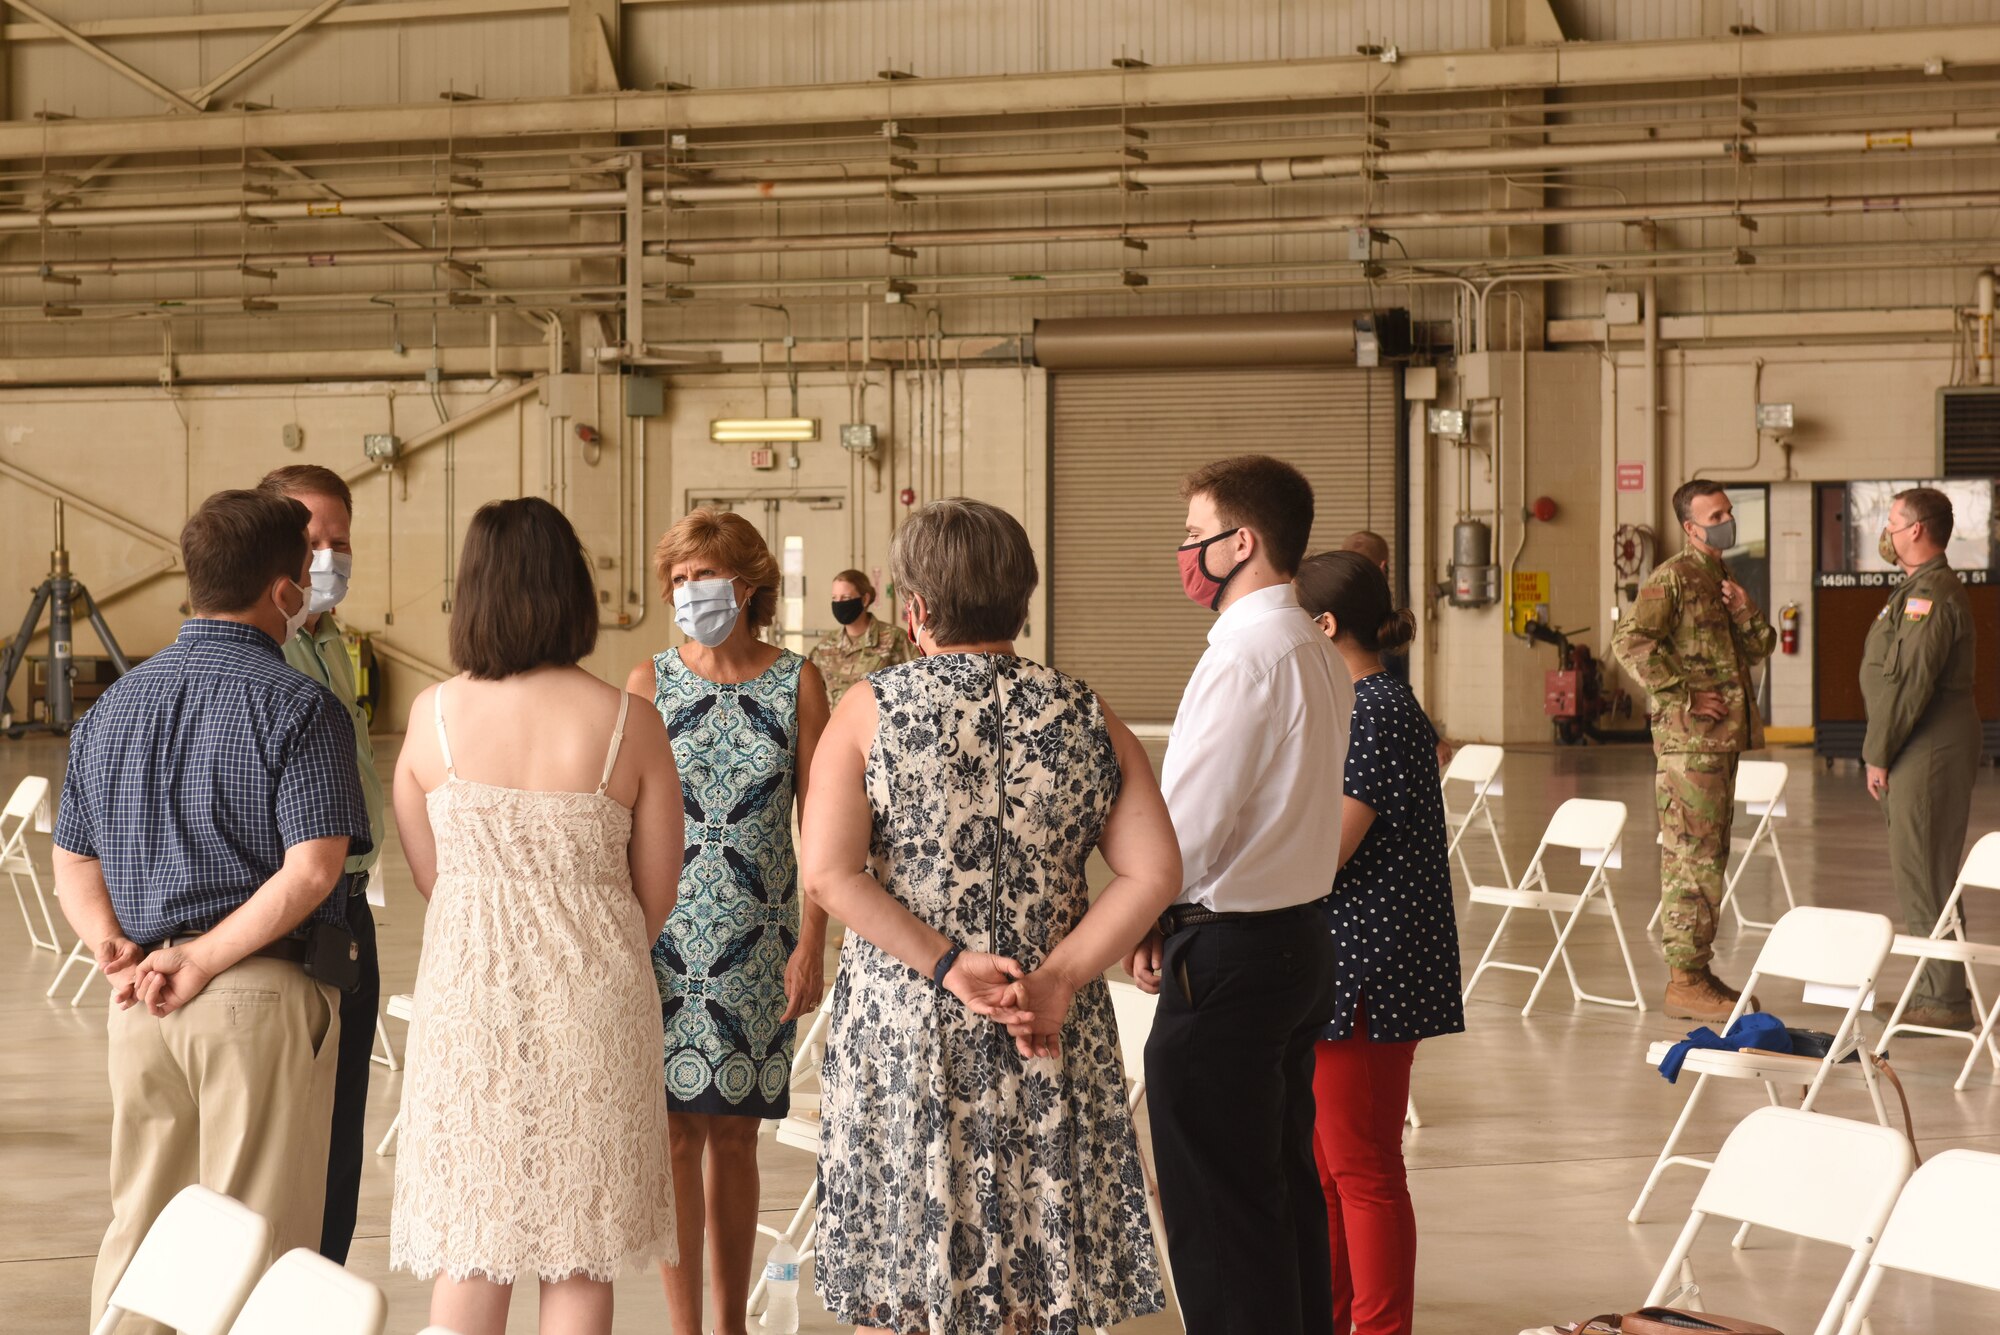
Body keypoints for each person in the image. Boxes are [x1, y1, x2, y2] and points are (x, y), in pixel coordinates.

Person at [799, 498, 1178, 1334]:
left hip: (909, 1021)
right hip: (1044, 1022)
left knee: (903, 1275)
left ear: (916, 608)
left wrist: (946, 963)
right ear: (1023, 598)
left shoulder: (871, 708)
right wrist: (1061, 977)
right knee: (1035, 1278)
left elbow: (830, 873)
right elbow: (1153, 872)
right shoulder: (1087, 712)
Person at [53, 489, 371, 1333]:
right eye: (307, 571)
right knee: (255, 1241)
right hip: (252, 996)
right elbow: (312, 872)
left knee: (145, 1232)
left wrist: (113, 946)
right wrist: (202, 958)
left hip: (140, 1005)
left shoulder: (111, 707)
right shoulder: (301, 707)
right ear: (283, 590)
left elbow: (71, 857)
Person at [390, 498, 680, 1335]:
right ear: (574, 591)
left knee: (475, 1244)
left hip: (468, 1000)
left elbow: (431, 874)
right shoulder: (630, 722)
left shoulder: (432, 717)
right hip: (596, 1001)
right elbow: (655, 892)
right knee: (580, 1250)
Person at [1126, 454, 1351, 1335]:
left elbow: (1186, 826)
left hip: (1228, 960)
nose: (1184, 553)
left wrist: (1146, 907)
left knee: (1219, 1211)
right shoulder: (1314, 648)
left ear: (1240, 542)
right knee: (1279, 1192)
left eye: (1193, 536)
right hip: (1296, 941)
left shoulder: (1245, 656)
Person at [627, 508, 830, 1335]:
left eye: (699, 576)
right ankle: (684, 1328)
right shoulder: (649, 680)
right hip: (666, 937)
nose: (685, 592)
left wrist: (814, 942)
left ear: (747, 584)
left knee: (738, 1137)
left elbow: (822, 826)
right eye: (675, 579)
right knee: (674, 1136)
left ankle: (732, 1323)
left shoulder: (798, 681)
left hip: (759, 937)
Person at [1296, 550, 1465, 1335]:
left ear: (1324, 626)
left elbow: (1326, 849)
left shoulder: (1376, 710)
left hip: (1368, 972)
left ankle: (1379, 1328)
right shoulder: (1360, 705)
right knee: (1332, 1174)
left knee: (1364, 1172)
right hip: (1345, 967)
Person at [258, 464, 382, 1265]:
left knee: (342, 1134)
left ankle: (322, 1285)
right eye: (313, 542)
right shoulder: (265, 657)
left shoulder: (333, 641)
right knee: (290, 1144)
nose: (329, 557)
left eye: (341, 540)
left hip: (352, 904)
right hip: (294, 909)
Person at [1610, 479, 1776, 1022]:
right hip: (1690, 747)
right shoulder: (1673, 578)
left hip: (1719, 745)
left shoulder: (1721, 578)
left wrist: (1747, 608)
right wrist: (1681, 693)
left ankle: (1697, 971)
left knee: (1710, 857)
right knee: (1691, 860)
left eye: (1729, 510)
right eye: (1716, 514)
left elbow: (1759, 648)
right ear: (1690, 527)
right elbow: (1629, 643)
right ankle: (1684, 979)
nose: (1727, 519)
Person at [1861, 486, 1980, 1030]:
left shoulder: (1929, 596)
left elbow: (1909, 685)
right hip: (1921, 740)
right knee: (1922, 868)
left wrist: (1877, 752)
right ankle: (1937, 989)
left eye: (1891, 522)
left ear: (1916, 530)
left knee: (1924, 869)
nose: (1885, 532)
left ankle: (1946, 1001)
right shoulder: (1916, 588)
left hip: (1926, 743)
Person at [1344, 528, 1454, 769]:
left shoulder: (1328, 611)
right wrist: (1433, 739)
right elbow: (1397, 687)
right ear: (1384, 567)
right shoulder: (1378, 621)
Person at [808, 566, 914, 708]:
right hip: (837, 727)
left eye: (846, 597)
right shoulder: (826, 645)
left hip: (879, 727)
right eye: (835, 598)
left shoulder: (895, 638)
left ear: (864, 599)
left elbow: (916, 683)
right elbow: (812, 694)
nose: (839, 603)